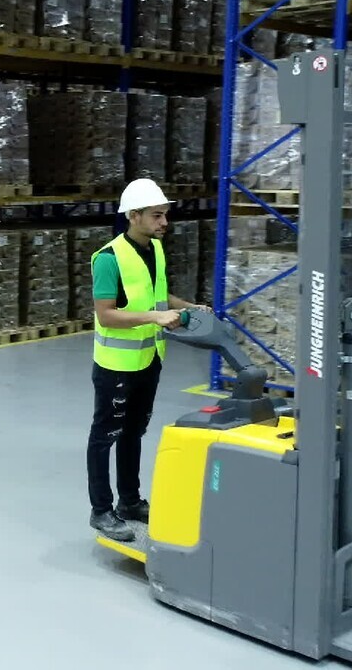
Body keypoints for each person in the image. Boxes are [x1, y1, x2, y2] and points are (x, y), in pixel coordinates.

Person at [87, 178, 210, 542]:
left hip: (149, 359)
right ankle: (101, 510)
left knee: (134, 433)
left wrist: (188, 307)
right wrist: (155, 318)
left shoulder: (154, 250)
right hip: (116, 366)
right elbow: (106, 314)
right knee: (104, 435)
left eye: (165, 216)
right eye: (157, 216)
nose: (164, 223)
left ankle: (129, 501)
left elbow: (157, 295)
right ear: (134, 215)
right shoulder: (108, 259)